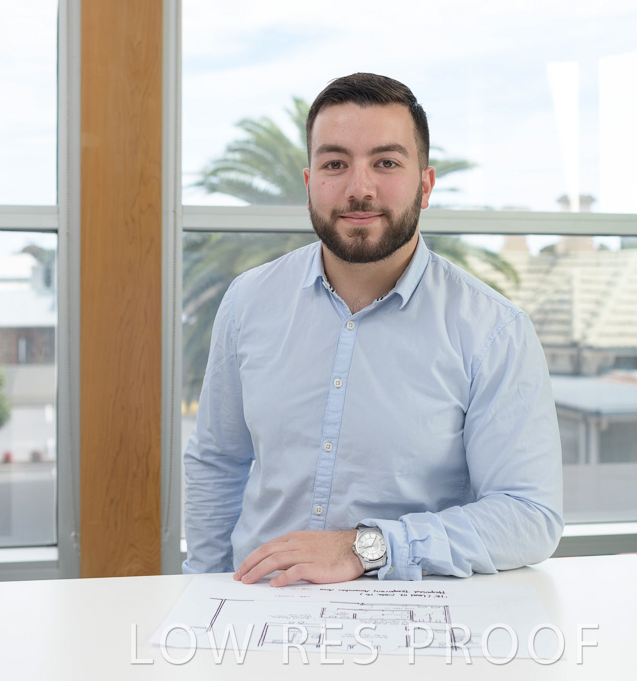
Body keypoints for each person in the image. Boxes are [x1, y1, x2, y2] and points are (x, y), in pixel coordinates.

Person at [183, 72, 563, 586]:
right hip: (258, 604)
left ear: (425, 185)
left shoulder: (493, 331)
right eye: (335, 164)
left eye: (386, 163)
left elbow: (529, 516)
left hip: (414, 613)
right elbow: (217, 462)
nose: (359, 189)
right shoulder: (247, 302)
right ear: (309, 183)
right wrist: (203, 588)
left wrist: (367, 547)